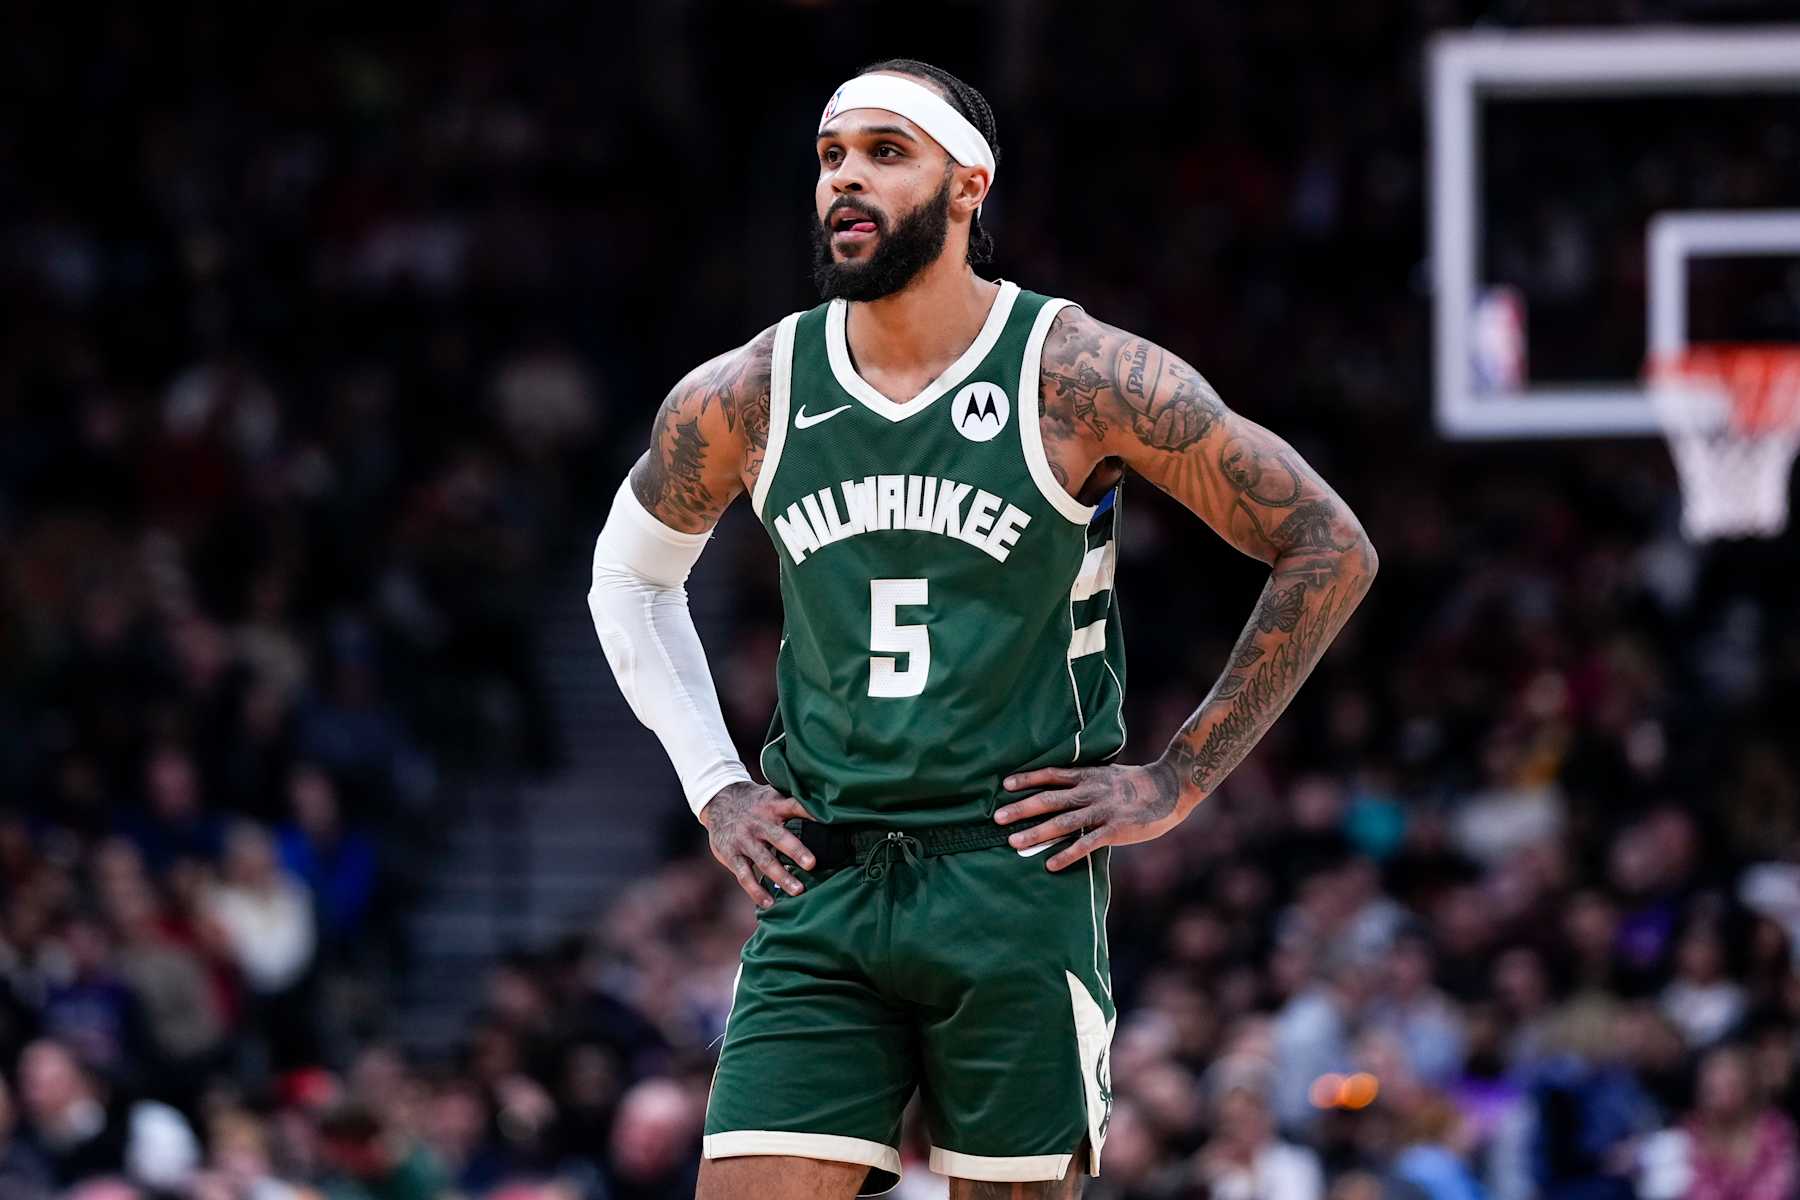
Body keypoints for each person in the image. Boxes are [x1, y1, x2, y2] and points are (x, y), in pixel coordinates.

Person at [587, 57, 1377, 1199]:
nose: (846, 180)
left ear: (970, 186)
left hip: (1009, 877)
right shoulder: (752, 391)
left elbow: (1326, 542)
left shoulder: (1078, 376)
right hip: (825, 881)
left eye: (884, 154)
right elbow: (629, 578)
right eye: (830, 157)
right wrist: (714, 781)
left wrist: (1178, 781)